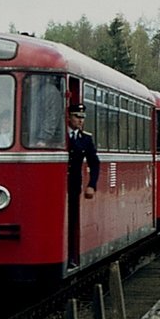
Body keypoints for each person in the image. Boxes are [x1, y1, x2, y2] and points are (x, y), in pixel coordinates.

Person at [66, 103, 100, 267]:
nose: (80, 121)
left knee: (72, 219)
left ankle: (71, 254)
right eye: (77, 117)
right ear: (69, 117)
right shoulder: (58, 136)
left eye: (82, 118)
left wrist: (91, 184)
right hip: (57, 185)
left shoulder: (85, 139)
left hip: (73, 185)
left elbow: (94, 163)